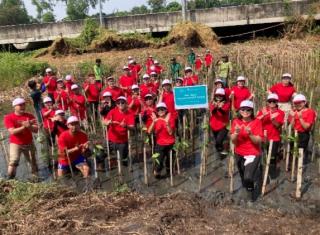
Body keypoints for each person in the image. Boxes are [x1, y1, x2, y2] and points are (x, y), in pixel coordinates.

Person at [230, 100, 264, 201]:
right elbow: (233, 140)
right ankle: (246, 191)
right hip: (239, 153)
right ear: (239, 110)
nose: (245, 111)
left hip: (253, 153)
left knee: (248, 177)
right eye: (243, 109)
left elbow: (258, 141)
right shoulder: (236, 122)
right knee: (242, 176)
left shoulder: (257, 121)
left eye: (248, 109)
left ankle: (251, 197)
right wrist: (236, 133)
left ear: (252, 110)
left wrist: (250, 134)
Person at [4, 98, 39, 179]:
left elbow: (36, 130)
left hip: (29, 142)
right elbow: (12, 132)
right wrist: (24, 127)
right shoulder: (9, 117)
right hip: (15, 143)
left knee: (33, 163)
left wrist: (29, 126)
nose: (23, 106)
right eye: (20, 105)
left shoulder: (29, 116)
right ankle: (10, 179)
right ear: (14, 107)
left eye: (24, 104)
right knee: (13, 161)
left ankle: (36, 180)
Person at [257, 94, 285, 178]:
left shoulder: (280, 112)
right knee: (262, 156)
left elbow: (278, 126)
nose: (272, 103)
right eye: (270, 101)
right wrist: (263, 115)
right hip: (263, 137)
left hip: (274, 138)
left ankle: (272, 174)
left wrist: (273, 119)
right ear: (267, 102)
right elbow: (256, 122)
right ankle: (262, 174)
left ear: (277, 102)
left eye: (274, 101)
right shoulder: (263, 110)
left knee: (272, 157)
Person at [103, 96, 135, 166]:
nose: (120, 104)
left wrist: (126, 126)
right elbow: (104, 121)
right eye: (118, 103)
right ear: (116, 104)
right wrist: (107, 122)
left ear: (126, 103)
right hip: (110, 140)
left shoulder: (130, 114)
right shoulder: (112, 111)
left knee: (123, 161)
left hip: (122, 142)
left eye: (122, 102)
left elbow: (132, 127)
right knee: (101, 155)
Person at [148, 102, 175, 178]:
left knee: (170, 163)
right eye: (158, 110)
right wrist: (153, 122)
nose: (160, 111)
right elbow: (149, 131)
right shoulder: (156, 120)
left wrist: (166, 122)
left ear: (166, 110)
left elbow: (170, 132)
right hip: (160, 145)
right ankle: (157, 175)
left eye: (162, 109)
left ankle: (169, 176)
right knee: (158, 163)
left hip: (170, 144)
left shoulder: (170, 119)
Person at [288, 94, 316, 162]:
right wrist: (294, 117)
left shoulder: (310, 112)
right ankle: (292, 167)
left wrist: (300, 118)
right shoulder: (293, 111)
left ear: (305, 102)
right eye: (296, 103)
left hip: (303, 134)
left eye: (300, 102)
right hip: (294, 133)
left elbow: (306, 127)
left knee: (300, 153)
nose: (298, 104)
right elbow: (291, 126)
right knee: (292, 152)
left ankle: (298, 169)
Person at [209, 88, 231, 158]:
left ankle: (224, 152)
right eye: (217, 95)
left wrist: (220, 108)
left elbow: (224, 112)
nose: (219, 97)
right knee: (217, 142)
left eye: (221, 96)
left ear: (224, 96)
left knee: (219, 140)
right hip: (214, 125)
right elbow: (213, 112)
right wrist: (216, 107)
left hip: (223, 125)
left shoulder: (227, 103)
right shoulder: (212, 103)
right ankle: (220, 151)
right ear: (215, 96)